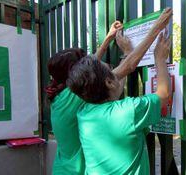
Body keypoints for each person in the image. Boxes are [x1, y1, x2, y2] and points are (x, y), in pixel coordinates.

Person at [67, 8, 172, 175]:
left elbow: (125, 69)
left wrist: (128, 52)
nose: (116, 69)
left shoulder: (84, 112)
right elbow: (164, 95)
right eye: (110, 68)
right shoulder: (128, 111)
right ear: (108, 82)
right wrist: (159, 58)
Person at [46, 21, 130, 175]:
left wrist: (107, 39)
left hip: (62, 169)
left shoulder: (61, 95)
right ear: (73, 73)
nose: (87, 62)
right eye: (82, 61)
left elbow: (91, 64)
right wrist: (127, 53)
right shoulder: (71, 95)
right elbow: (116, 77)